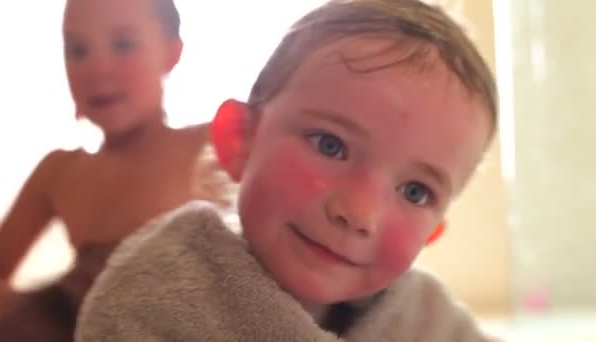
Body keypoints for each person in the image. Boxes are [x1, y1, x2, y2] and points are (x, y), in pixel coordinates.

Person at [76, 0, 502, 340]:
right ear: (239, 140)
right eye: (330, 145)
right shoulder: (158, 292)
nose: (359, 212)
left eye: (414, 192)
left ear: (432, 233)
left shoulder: (424, 318)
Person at [0, 0, 228, 339]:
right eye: (77, 49)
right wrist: (29, 311)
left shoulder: (210, 144)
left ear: (172, 52)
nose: (97, 69)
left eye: (123, 44)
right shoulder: (58, 172)